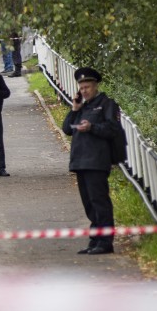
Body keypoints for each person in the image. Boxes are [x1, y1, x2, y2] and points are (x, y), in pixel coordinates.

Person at [62, 67, 122, 255]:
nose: (84, 90)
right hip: (80, 161)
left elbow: (113, 129)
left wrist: (92, 127)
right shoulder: (82, 107)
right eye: (82, 87)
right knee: (88, 203)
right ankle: (95, 239)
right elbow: (66, 129)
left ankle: (105, 242)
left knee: (99, 202)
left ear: (95, 86)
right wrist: (74, 109)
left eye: (87, 86)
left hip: (97, 160)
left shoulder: (106, 104)